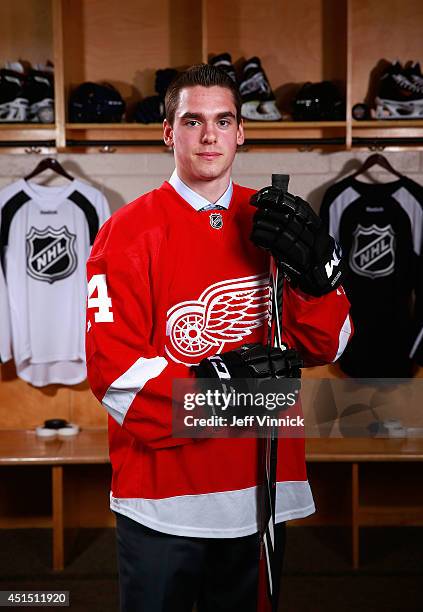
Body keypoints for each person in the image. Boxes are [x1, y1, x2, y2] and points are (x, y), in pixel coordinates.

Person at [86, 64, 352, 612]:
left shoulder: (274, 219)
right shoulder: (127, 232)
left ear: (241, 131)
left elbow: (330, 344)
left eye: (223, 120)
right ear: (169, 132)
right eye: (192, 120)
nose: (209, 135)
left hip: (258, 492)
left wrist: (318, 283)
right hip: (163, 501)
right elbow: (116, 379)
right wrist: (226, 392)